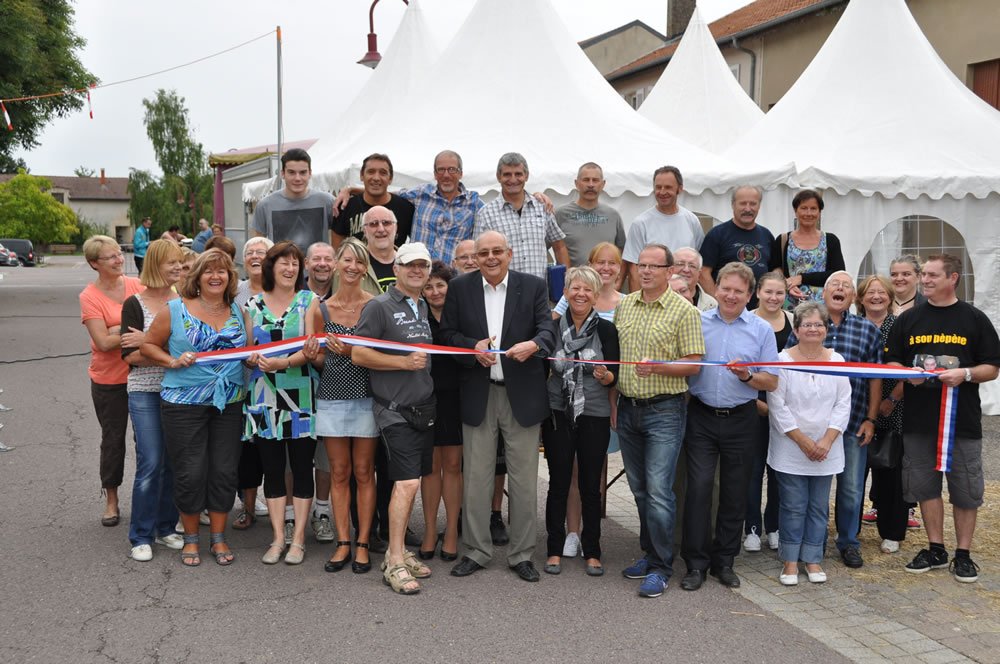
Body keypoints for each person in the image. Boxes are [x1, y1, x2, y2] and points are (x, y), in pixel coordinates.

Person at [440, 230, 558, 583]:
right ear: (475, 257)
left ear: (510, 253)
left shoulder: (533, 286)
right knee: (476, 479)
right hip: (479, 393)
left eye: (497, 252)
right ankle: (476, 551)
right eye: (483, 253)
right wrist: (470, 347)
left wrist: (534, 345)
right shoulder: (460, 288)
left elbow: (548, 331)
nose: (490, 258)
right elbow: (446, 335)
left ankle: (522, 554)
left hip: (522, 395)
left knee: (524, 481)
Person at [886, 254, 1000, 583]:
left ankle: (963, 554)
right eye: (924, 274)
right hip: (919, 422)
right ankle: (936, 549)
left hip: (962, 423)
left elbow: (992, 367)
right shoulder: (909, 319)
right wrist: (907, 375)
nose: (925, 280)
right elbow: (892, 361)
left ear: (953, 278)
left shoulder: (974, 318)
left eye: (933, 275)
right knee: (924, 487)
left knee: (966, 489)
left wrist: (965, 373)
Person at [140, 249, 250, 567]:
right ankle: (190, 538)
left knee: (224, 471)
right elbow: (147, 345)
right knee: (190, 472)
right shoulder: (175, 309)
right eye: (208, 271)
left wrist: (255, 358)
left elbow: (248, 351)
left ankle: (218, 537)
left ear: (230, 277)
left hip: (228, 402)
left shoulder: (239, 311)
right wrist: (172, 361)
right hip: (183, 404)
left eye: (222, 271)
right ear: (198, 277)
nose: (216, 276)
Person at [680, 263, 779, 592]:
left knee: (735, 492)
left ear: (750, 296)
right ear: (716, 289)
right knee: (699, 489)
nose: (731, 296)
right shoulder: (697, 321)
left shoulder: (761, 330)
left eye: (739, 291)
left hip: (741, 418)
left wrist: (748, 376)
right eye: (726, 288)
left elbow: (772, 381)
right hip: (702, 415)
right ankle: (695, 564)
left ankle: (724, 561)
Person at [614, 243, 704, 598]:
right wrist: (614, 405)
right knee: (639, 489)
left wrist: (660, 367)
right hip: (628, 407)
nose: (647, 271)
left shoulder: (685, 311)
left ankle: (662, 568)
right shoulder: (625, 306)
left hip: (665, 410)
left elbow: (694, 364)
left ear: (670, 271)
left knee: (658, 491)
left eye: (655, 266)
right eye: (642, 265)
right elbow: (616, 359)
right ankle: (650, 554)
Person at [352, 242, 437, 595]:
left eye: (423, 266)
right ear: (397, 269)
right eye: (409, 265)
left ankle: (396, 550)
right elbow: (358, 354)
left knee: (412, 482)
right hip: (393, 411)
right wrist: (402, 362)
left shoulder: (422, 305)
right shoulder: (379, 306)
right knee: (406, 484)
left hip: (423, 409)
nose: (417, 270)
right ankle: (395, 562)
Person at [784, 271, 882, 569]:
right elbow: (785, 365)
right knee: (811, 494)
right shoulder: (806, 323)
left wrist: (871, 418)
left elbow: (875, 377)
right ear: (823, 293)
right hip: (808, 427)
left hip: (852, 423)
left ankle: (848, 542)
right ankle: (811, 543)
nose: (840, 289)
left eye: (846, 286)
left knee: (851, 490)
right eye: (834, 285)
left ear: (853, 297)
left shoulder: (866, 329)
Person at [242, 242, 320, 566]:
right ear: (270, 267)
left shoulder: (309, 301)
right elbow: (247, 349)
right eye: (283, 263)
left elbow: (313, 349)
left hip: (300, 393)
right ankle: (277, 538)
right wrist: (251, 358)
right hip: (264, 396)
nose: (290, 269)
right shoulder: (251, 304)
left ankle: (298, 539)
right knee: (272, 470)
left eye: (295, 263)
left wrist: (283, 363)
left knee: (301, 468)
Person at [543, 266, 620, 577]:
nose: (581, 294)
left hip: (594, 413)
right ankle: (553, 548)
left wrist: (605, 375)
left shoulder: (607, 330)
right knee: (559, 482)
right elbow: (541, 369)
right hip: (557, 412)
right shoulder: (551, 328)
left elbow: (615, 376)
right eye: (575, 288)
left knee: (590, 485)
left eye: (588, 289)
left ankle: (593, 551)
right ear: (565, 292)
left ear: (596, 295)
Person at [768, 301, 852, 586]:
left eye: (819, 324)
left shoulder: (837, 360)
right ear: (796, 330)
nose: (813, 329)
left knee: (818, 506)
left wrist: (827, 440)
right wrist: (803, 441)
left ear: (826, 329)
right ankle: (790, 560)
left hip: (827, 448)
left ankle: (813, 558)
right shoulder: (781, 360)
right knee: (793, 506)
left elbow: (843, 403)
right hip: (791, 447)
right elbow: (777, 405)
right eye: (807, 324)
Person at [309, 238, 378, 575]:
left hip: (367, 395)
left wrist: (351, 352)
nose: (352, 267)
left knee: (364, 471)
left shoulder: (375, 306)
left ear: (366, 269)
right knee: (339, 472)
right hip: (333, 397)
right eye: (347, 260)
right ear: (337, 265)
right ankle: (343, 541)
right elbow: (319, 359)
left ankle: (362, 542)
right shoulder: (320, 309)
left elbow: (383, 354)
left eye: (359, 262)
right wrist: (313, 355)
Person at [120, 240, 185, 561]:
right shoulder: (134, 304)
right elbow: (130, 356)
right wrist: (168, 354)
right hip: (144, 391)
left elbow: (191, 348)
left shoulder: (184, 301)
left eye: (180, 262)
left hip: (179, 392)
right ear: (155, 265)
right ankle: (141, 535)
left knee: (172, 462)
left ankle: (166, 527)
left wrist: (148, 342)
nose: (178, 268)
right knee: (151, 462)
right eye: (171, 262)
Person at [80, 235, 146, 526]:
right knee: (113, 440)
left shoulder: (137, 285)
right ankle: (111, 500)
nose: (119, 260)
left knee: (147, 440)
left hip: (143, 372)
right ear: (94, 263)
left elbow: (155, 323)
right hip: (109, 379)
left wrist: (115, 328)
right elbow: (103, 343)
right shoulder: (89, 296)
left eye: (119, 254)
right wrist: (132, 328)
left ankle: (147, 496)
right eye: (111, 257)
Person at [856, 274, 910, 553]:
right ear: (860, 298)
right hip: (857, 409)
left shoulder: (901, 326)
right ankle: (849, 531)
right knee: (854, 475)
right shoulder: (853, 326)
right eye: (870, 292)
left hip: (892, 407)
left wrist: (891, 398)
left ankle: (891, 532)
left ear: (890, 298)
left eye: (881, 292)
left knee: (891, 473)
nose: (876, 297)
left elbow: (911, 368)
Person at [417, 261, 463, 562]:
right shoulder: (418, 317)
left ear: (450, 286)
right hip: (425, 397)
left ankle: (452, 531)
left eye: (440, 285)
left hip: (457, 397)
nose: (435, 292)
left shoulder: (462, 315)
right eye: (428, 286)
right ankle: (431, 530)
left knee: (454, 465)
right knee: (430, 467)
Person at [744, 271, 793, 553]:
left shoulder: (794, 321)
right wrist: (755, 402)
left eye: (779, 293)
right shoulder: (747, 321)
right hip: (753, 406)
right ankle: (751, 527)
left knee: (779, 470)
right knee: (752, 470)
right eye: (768, 292)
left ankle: (774, 526)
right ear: (757, 293)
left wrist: (780, 407)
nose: (774, 298)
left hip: (784, 408)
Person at [231, 236, 274, 531]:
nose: (256, 256)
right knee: (245, 451)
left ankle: (281, 509)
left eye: (262, 252)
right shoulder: (234, 292)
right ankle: (247, 508)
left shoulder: (281, 289)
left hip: (276, 383)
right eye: (250, 252)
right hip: (240, 381)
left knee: (271, 450)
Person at [473, 152, 570, 280]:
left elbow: (559, 246)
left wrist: (566, 281)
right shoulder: (486, 214)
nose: (513, 179)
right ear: (498, 177)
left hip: (539, 287)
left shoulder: (542, 207)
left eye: (518, 174)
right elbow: (478, 255)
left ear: (526, 176)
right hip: (503, 288)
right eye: (507, 174)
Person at [622, 166, 705, 291]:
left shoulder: (692, 220)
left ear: (680, 189)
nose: (662, 192)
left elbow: (698, 262)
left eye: (668, 187)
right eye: (658, 187)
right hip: (653, 294)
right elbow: (634, 270)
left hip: (684, 294)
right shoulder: (640, 223)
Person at [303, 241, 336, 542]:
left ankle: (322, 512)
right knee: (296, 456)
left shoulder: (342, 296)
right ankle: (292, 515)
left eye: (328, 258)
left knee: (326, 457)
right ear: (307, 264)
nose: (322, 263)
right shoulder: (295, 295)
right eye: (317, 259)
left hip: (334, 385)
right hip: (298, 383)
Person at [399, 149, 482, 262]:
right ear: (435, 174)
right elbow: (387, 196)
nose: (446, 175)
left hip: (453, 272)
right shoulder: (421, 193)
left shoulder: (474, 203)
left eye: (452, 169)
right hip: (419, 269)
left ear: (461, 173)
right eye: (441, 170)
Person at [698, 185, 774, 308]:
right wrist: (718, 303)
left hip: (759, 310)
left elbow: (773, 273)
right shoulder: (717, 234)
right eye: (742, 203)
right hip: (727, 310)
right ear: (733, 205)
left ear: (759, 206)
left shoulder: (766, 235)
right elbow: (703, 274)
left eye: (753, 204)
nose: (748, 209)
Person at [769, 189, 845, 308]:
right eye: (804, 208)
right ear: (795, 211)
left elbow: (837, 274)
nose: (808, 213)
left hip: (822, 307)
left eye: (813, 208)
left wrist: (801, 278)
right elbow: (775, 269)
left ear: (819, 212)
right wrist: (787, 284)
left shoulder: (830, 240)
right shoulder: (783, 240)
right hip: (789, 304)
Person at [252, 148, 334, 254]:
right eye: (291, 172)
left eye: (303, 172)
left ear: (310, 173)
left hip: (319, 264)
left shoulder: (327, 201)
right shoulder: (265, 205)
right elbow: (258, 246)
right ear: (282, 174)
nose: (297, 178)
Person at [330, 153, 413, 248]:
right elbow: (337, 251)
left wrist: (350, 189)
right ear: (361, 176)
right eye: (371, 172)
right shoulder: (345, 206)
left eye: (383, 173)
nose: (376, 178)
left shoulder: (405, 208)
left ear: (390, 179)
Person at [554, 162, 626, 267]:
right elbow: (541, 247)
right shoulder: (560, 214)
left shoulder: (613, 216)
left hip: (604, 277)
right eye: (586, 180)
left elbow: (622, 251)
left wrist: (618, 276)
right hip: (572, 277)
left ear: (603, 184)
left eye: (595, 180)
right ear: (576, 183)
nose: (591, 185)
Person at [552, 242, 623, 321]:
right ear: (590, 265)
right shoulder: (573, 296)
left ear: (619, 267)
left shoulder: (627, 302)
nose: (606, 268)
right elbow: (552, 325)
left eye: (612, 263)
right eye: (601, 262)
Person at [672, 247, 717, 312]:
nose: (686, 270)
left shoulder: (711, 305)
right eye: (680, 264)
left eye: (692, 266)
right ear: (670, 269)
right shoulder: (657, 296)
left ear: (699, 273)